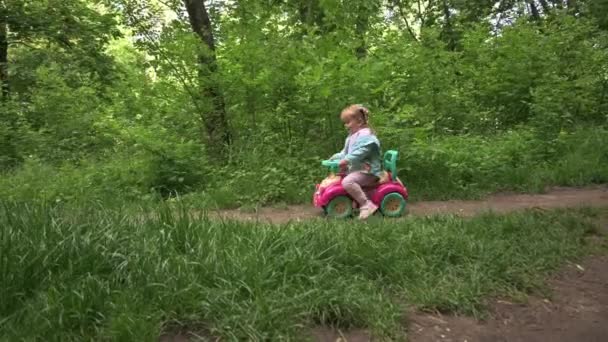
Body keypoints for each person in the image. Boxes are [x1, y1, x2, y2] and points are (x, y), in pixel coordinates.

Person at [330, 104, 382, 219]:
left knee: (347, 182)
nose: (345, 125)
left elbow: (361, 152)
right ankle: (354, 200)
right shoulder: (352, 136)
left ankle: (366, 205)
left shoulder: (366, 136)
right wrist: (335, 157)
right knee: (340, 177)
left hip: (368, 172)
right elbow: (345, 152)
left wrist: (347, 160)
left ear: (359, 122)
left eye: (348, 122)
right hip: (358, 170)